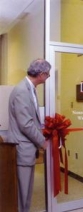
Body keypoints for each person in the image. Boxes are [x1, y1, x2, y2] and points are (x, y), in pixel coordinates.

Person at [7, 58, 51, 212]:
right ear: (41, 74)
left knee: (26, 191)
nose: (48, 77)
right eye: (48, 74)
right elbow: (25, 124)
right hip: (22, 149)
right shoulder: (22, 91)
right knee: (22, 192)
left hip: (27, 149)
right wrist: (42, 142)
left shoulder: (30, 88)